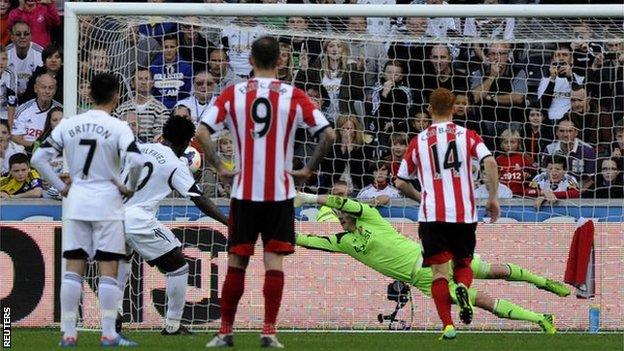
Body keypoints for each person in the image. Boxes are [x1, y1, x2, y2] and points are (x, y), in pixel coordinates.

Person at [197, 36, 335, 348]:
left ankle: (225, 332)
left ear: (250, 61)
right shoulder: (294, 94)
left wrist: (219, 165)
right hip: (280, 194)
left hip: (244, 194)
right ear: (281, 61)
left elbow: (202, 132)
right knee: (274, 263)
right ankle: (269, 331)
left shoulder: (233, 93)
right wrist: (308, 169)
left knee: (236, 262)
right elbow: (328, 134)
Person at [293, 194, 564, 334]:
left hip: (429, 258)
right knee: (481, 298)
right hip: (421, 278)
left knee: (492, 271)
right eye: (335, 216)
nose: (340, 217)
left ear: (349, 211)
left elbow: (340, 200)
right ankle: (540, 318)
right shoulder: (343, 242)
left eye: (341, 213)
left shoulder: (371, 216)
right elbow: (306, 240)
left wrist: (306, 198)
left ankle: (544, 283)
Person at [31, 72, 146, 347]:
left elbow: (38, 157)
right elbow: (137, 161)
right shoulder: (118, 127)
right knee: (108, 269)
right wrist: (128, 185)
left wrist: (61, 185)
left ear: (89, 94)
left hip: (78, 201)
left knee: (73, 268)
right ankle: (108, 332)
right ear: (116, 97)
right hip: (107, 203)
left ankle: (69, 333)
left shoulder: (69, 124)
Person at [394, 88, 500, 340]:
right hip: (464, 214)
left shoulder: (419, 140)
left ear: (429, 110)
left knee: (439, 275)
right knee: (463, 264)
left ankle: (448, 326)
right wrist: (493, 198)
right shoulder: (468, 135)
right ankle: (462, 286)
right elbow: (491, 162)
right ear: (454, 108)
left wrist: (422, 198)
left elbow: (399, 182)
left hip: (432, 216)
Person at [116, 115, 228, 336]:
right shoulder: (175, 165)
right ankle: (173, 325)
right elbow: (199, 199)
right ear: (186, 143)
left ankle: (114, 313)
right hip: (138, 220)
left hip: (111, 214)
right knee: (178, 265)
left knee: (123, 261)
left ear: (163, 135)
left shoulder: (140, 147)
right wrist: (229, 222)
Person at [113, 67, 168, 143]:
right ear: (132, 83)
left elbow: (160, 137)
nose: (143, 82)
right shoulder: (121, 109)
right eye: (140, 79)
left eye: (146, 79)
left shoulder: (161, 110)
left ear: (152, 83)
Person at [11, 73, 61, 151]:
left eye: (51, 88)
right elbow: (15, 138)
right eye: (43, 87)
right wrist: (37, 145)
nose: (47, 91)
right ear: (35, 88)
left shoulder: (61, 110)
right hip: (26, 152)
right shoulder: (23, 110)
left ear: (55, 90)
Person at [6, 21, 43, 98]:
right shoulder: (5, 54)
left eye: (26, 34)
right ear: (12, 37)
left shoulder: (40, 53)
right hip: (9, 97)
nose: (22, 37)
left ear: (31, 36)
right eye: (18, 34)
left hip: (34, 97)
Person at [0, 44, 17, 126]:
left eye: (4, 59)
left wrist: (9, 127)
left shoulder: (10, 74)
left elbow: (12, 102)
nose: (1, 62)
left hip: (5, 112)